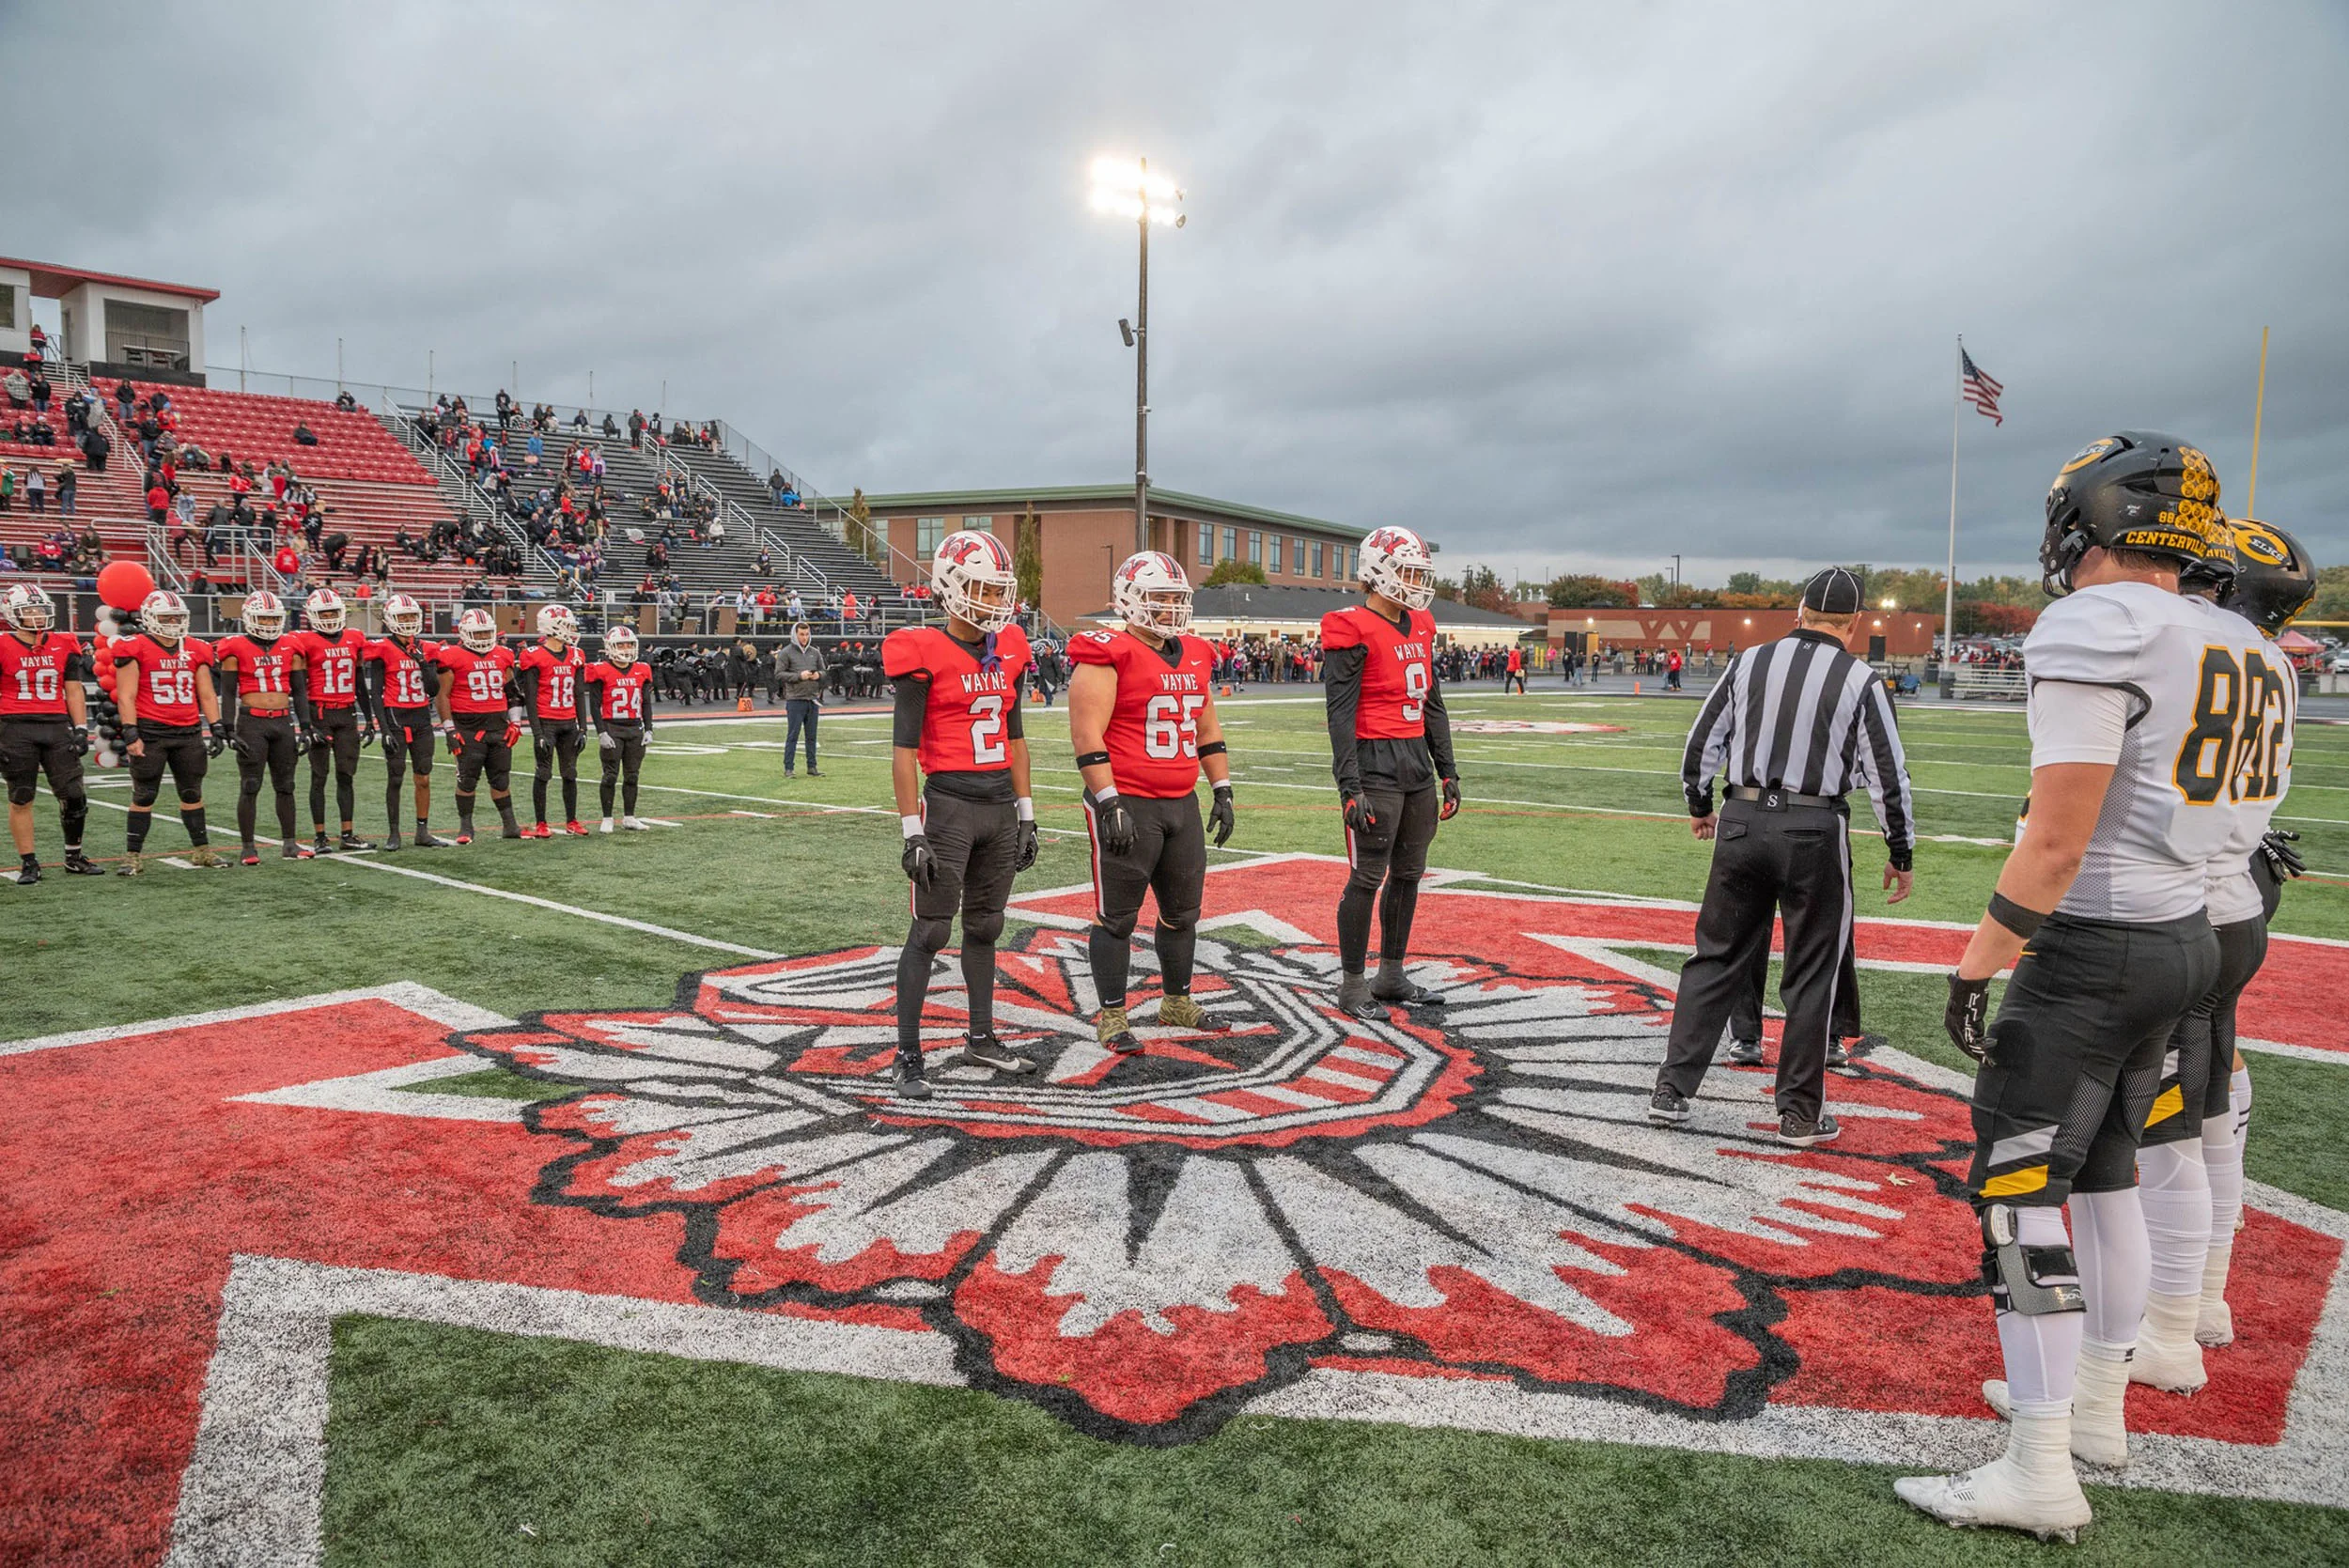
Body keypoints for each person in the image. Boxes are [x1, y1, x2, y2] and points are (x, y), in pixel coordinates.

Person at [1897, 431, 2240, 1540]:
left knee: (2017, 1195)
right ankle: (2093, 1410)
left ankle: (2040, 1466)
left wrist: (1980, 956)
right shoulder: (2229, 635)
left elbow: (2056, 839)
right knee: (2105, 1176)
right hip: (2188, 932)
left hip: (2098, 945)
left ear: (2091, 519)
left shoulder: (2100, 622)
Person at [2114, 522, 2312, 1399]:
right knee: (2213, 1093)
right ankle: (2202, 1300)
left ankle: (2166, 1326)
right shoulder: (2273, 665)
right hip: (2240, 906)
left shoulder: (2190, 653)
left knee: (2160, 1128)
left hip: (2179, 907)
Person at [1650, 567, 1916, 1147]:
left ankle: (1671, 1091)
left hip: (1743, 819)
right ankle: (1798, 1113)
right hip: (1813, 825)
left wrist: (1700, 803)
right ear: (1854, 622)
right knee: (1811, 972)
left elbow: (1701, 743)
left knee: (1714, 957)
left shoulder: (1749, 661)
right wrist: (1901, 849)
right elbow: (1888, 776)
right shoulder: (1860, 679)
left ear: (1798, 611)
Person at [882, 530, 1037, 1097]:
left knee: (986, 927)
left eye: (998, 590)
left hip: (999, 805)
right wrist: (912, 831)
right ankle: (907, 1053)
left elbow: (1016, 739)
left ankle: (980, 1035)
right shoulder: (922, 650)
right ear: (949, 586)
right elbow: (902, 751)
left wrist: (1027, 813)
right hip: (948, 805)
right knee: (929, 930)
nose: (994, 601)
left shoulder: (1010, 648)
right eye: (981, 587)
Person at [1068, 551, 1237, 1053]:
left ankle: (1176, 1001)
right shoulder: (1106, 651)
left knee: (1183, 912)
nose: (1168, 609)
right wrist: (1107, 799)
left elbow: (1206, 727)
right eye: (1158, 598)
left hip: (1179, 801)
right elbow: (1086, 733)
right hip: (1129, 801)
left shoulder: (1195, 653)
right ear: (1128, 600)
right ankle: (1113, 1016)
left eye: (1174, 599)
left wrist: (1221, 789)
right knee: (1117, 917)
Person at [1321, 525, 1460, 1018]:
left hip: (1415, 765)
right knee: (1366, 877)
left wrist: (1447, 769)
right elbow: (1339, 713)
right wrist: (1349, 786)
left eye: (1419, 572)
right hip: (1373, 762)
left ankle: (1391, 974)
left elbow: (1433, 705)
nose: (1414, 582)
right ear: (1376, 571)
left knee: (1409, 874)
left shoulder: (1421, 623)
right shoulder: (1350, 626)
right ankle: (1353, 984)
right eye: (1406, 571)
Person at [113, 591, 227, 874]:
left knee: (192, 791)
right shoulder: (135, 646)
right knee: (144, 794)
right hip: (151, 731)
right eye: (167, 617)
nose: (174, 621)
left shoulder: (195, 648)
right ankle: (132, 855)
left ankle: (201, 850)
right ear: (151, 618)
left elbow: (207, 694)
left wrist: (216, 726)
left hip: (188, 731)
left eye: (178, 617)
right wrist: (130, 732)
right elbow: (126, 695)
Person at [0, 584, 105, 882]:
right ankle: (29, 862)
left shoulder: (63, 642)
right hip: (14, 726)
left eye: (41, 610)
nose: (36, 616)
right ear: (11, 613)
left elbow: (73, 689)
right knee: (21, 797)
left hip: (56, 725)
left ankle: (74, 856)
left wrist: (82, 727)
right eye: (29, 611)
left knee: (74, 795)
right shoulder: (3, 644)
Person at [212, 591, 315, 866]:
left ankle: (290, 844)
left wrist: (305, 726)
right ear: (249, 619)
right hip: (252, 722)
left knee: (287, 785)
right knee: (250, 785)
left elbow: (300, 691)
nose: (269, 625)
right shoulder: (235, 647)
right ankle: (248, 847)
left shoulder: (291, 645)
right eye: (263, 619)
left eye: (273, 620)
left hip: (282, 720)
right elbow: (228, 691)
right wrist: (228, 727)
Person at [290, 587, 375, 854]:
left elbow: (360, 683)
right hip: (320, 713)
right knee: (319, 777)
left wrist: (369, 719)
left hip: (347, 714)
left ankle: (347, 834)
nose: (329, 617)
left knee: (346, 776)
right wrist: (306, 723)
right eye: (323, 612)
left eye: (333, 612)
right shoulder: (304, 641)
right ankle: (320, 836)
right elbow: (299, 688)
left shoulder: (354, 638)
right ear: (313, 615)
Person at [433, 608, 522, 844]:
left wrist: (515, 722)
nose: (483, 638)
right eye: (478, 633)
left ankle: (510, 825)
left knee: (501, 778)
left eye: (486, 633)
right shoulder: (451, 655)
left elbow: (512, 692)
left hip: (498, 726)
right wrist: (450, 728)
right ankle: (466, 828)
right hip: (468, 727)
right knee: (467, 778)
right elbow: (443, 696)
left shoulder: (503, 654)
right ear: (464, 633)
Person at [366, 595, 444, 851]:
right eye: (403, 617)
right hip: (395, 717)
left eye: (412, 616)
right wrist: (384, 728)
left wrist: (422, 662)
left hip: (421, 718)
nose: (409, 621)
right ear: (391, 620)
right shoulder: (383, 649)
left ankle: (422, 831)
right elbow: (375, 692)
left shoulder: (427, 648)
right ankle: (394, 833)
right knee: (395, 778)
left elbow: (433, 689)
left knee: (423, 777)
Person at [515, 604, 588, 837]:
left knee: (570, 773)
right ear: (552, 626)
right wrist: (537, 733)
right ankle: (541, 823)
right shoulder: (534, 656)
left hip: (569, 723)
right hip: (546, 722)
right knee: (543, 773)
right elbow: (531, 697)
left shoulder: (576, 655)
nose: (571, 630)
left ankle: (572, 821)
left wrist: (583, 727)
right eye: (567, 625)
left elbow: (578, 693)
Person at [584, 626, 654, 831]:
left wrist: (649, 728)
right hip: (612, 727)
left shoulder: (642, 669)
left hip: (635, 728)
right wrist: (601, 732)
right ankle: (607, 817)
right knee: (610, 775)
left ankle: (629, 817)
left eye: (629, 644)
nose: (625, 648)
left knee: (632, 775)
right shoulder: (600, 670)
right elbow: (595, 705)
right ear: (610, 647)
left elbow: (646, 703)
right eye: (621, 644)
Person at [776, 621, 825, 778]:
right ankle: (789, 768)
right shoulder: (786, 652)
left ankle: (812, 766)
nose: (804, 637)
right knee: (793, 735)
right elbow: (779, 674)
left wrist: (818, 675)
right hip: (795, 700)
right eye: (801, 634)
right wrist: (799, 676)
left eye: (806, 634)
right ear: (795, 635)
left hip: (812, 699)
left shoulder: (815, 652)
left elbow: (824, 671)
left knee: (812, 736)